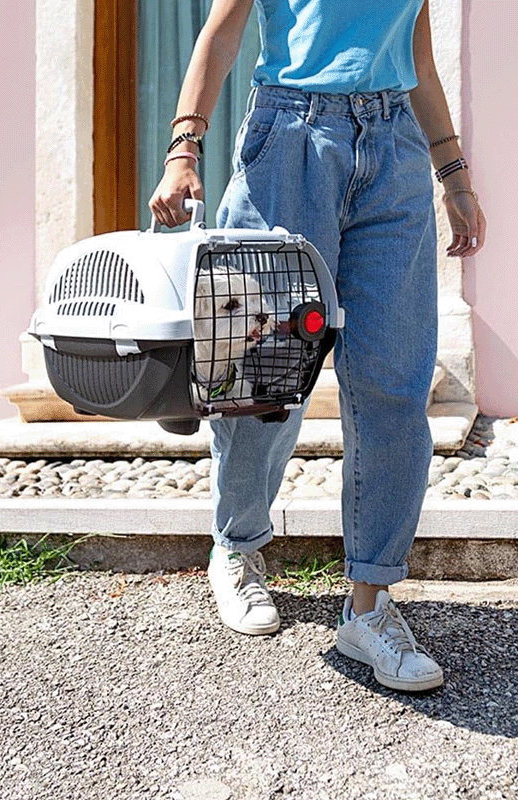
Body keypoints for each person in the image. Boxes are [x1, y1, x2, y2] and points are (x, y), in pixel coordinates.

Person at [149, 0, 486, 693]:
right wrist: (184, 147)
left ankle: (369, 607)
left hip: (394, 151)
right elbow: (223, 31)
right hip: (290, 142)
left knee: (394, 381)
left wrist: (453, 175)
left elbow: (418, 61)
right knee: (265, 376)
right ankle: (238, 546)